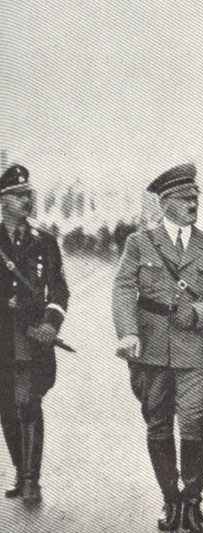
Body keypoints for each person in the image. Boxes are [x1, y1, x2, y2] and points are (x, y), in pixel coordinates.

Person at [113, 163, 203, 533]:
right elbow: (123, 288)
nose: (193, 203)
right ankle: (170, 502)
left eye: (196, 197)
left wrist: (199, 313)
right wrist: (127, 331)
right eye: (185, 198)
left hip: (196, 350)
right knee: (157, 424)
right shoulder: (138, 243)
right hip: (150, 350)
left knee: (193, 422)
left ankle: (192, 503)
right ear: (166, 202)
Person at [0, 164, 70, 507]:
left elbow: (59, 289)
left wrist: (50, 324)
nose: (26, 200)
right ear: (3, 200)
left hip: (32, 338)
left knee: (29, 402)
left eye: (28, 194)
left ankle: (31, 479)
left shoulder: (45, 241)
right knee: (7, 408)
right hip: (2, 337)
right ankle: (20, 468)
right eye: (18, 195)